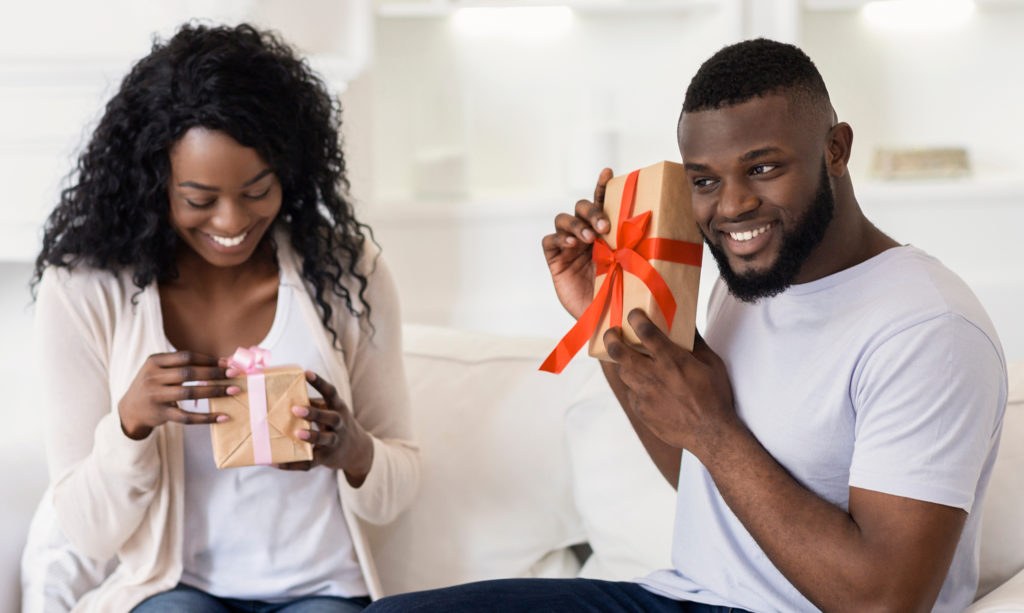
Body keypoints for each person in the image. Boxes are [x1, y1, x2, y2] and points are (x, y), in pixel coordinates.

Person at [364, 38, 1006, 613]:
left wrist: (714, 429)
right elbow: (702, 477)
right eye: (705, 179)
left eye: (762, 168)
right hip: (687, 594)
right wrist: (605, 310)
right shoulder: (751, 279)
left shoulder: (928, 330)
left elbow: (886, 601)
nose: (731, 207)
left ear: (836, 150)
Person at [31, 23, 419, 613]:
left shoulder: (347, 271)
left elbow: (400, 483)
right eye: (199, 199)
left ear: (288, 171)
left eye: (258, 190)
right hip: (176, 588)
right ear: (154, 182)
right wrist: (130, 425)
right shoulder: (85, 289)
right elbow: (87, 531)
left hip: (324, 589)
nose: (231, 221)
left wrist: (352, 449)